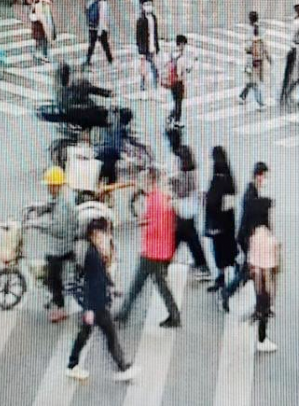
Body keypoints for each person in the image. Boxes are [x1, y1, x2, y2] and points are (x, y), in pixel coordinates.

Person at [66, 218, 141, 382]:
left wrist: (112, 287)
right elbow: (92, 283)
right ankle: (122, 367)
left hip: (95, 304)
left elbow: (101, 276)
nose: (105, 238)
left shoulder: (95, 252)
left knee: (85, 334)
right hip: (96, 306)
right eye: (101, 235)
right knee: (110, 335)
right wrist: (89, 309)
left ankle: (72, 364)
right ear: (93, 236)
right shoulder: (92, 255)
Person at [114, 167, 181, 328]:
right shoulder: (160, 198)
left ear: (150, 181)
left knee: (137, 285)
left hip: (152, 251)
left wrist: (144, 224)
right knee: (161, 285)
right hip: (160, 250)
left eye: (143, 180)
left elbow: (155, 227)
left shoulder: (155, 200)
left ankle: (123, 314)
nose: (141, 184)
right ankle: (174, 315)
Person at [221, 161, 269, 311]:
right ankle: (228, 292)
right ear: (258, 176)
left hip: (248, 239)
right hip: (248, 240)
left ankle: (260, 305)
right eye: (264, 176)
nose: (265, 180)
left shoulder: (252, 191)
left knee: (251, 273)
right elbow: (250, 220)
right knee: (250, 273)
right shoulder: (250, 195)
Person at [40, 166, 79, 322]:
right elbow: (52, 204)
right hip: (67, 240)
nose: (48, 188)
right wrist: (42, 209)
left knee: (52, 277)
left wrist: (39, 225)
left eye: (49, 185)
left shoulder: (64, 202)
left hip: (63, 245)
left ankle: (60, 308)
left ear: (56, 185)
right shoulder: (64, 194)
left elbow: (58, 229)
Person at [169, 145, 211, 282]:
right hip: (187, 213)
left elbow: (181, 192)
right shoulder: (190, 173)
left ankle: (163, 263)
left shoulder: (186, 175)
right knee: (191, 239)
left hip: (184, 213)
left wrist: (171, 183)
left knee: (179, 238)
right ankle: (202, 265)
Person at [204, 146, 239, 298]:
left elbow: (226, 208)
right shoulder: (223, 178)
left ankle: (226, 278)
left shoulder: (224, 181)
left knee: (222, 254)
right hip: (221, 226)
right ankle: (222, 277)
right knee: (221, 254)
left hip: (221, 226)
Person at [248, 199, 280, 353]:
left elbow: (252, 263)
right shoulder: (268, 239)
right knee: (264, 310)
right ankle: (262, 340)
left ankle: (261, 336)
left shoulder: (254, 234)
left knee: (261, 307)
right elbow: (267, 270)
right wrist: (271, 293)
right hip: (263, 281)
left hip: (256, 279)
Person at [57, 62, 113, 129]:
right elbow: (66, 108)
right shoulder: (60, 91)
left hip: (87, 112)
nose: (65, 77)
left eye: (66, 74)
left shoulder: (78, 84)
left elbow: (92, 89)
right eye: (63, 75)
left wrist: (107, 93)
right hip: (78, 116)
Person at [239, 13, 271, 110]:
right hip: (260, 59)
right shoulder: (262, 30)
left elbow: (248, 47)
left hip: (251, 59)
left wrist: (246, 49)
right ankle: (242, 96)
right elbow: (264, 45)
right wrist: (268, 56)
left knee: (253, 81)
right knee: (251, 80)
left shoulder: (250, 31)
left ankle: (261, 103)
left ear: (250, 20)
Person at [165, 35, 193, 130]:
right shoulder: (181, 57)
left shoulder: (172, 54)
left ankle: (171, 117)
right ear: (181, 44)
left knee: (177, 102)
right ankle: (176, 120)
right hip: (178, 82)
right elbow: (183, 71)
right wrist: (191, 66)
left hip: (172, 81)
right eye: (184, 44)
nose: (184, 46)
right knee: (179, 102)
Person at [280, 5, 299, 105]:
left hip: (295, 50)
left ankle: (285, 94)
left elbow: (292, 38)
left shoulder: (295, 23)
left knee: (289, 73)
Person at [84, 0, 114, 68]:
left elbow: (86, 9)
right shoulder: (103, 3)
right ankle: (110, 60)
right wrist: (102, 30)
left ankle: (88, 60)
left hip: (91, 27)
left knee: (91, 44)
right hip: (100, 28)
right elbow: (103, 18)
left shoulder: (91, 0)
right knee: (105, 45)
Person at [136, 0, 161, 96]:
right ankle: (142, 89)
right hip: (144, 50)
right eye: (146, 5)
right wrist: (140, 51)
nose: (148, 6)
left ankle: (156, 87)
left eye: (150, 4)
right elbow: (138, 37)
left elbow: (155, 34)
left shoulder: (153, 18)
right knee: (143, 70)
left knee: (155, 68)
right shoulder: (141, 20)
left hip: (152, 48)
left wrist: (157, 47)